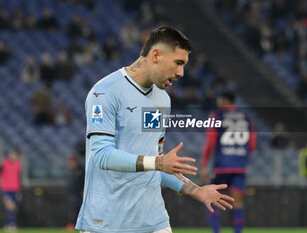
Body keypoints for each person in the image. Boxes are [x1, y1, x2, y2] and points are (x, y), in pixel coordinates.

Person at [75, 26, 235, 233]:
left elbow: (156, 163)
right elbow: (102, 156)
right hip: (108, 223)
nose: (181, 73)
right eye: (178, 63)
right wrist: (158, 162)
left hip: (153, 222)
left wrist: (196, 190)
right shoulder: (105, 92)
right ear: (156, 55)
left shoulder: (162, 100)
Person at [201, 92, 256, 233]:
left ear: (224, 100)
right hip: (239, 166)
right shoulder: (246, 118)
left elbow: (210, 142)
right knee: (238, 203)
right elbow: (252, 144)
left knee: (212, 200)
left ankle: (216, 232)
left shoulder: (217, 116)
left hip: (221, 166)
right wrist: (240, 157)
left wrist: (204, 166)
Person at [0, 148, 22, 231]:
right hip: (6, 188)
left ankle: (9, 223)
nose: (12, 156)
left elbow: (19, 176)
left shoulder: (18, 164)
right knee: (10, 206)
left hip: (16, 188)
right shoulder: (4, 162)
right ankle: (10, 224)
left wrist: (20, 188)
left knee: (14, 207)